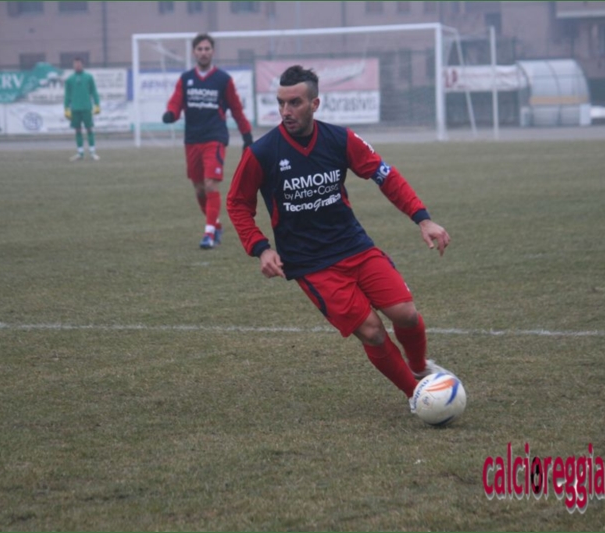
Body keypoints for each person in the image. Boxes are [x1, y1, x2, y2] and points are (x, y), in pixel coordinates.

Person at [227, 65, 452, 413]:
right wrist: (261, 248)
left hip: (355, 247)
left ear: (315, 104)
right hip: (312, 264)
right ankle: (418, 395)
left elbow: (385, 176)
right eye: (281, 103)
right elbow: (237, 203)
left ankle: (420, 367)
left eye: (295, 103)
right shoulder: (263, 152)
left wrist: (422, 219)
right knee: (373, 332)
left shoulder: (339, 139)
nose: (286, 111)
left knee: (406, 314)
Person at [162, 33, 254, 250]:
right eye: (200, 49)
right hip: (192, 139)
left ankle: (209, 233)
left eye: (207, 49)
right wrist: (171, 114)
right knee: (199, 188)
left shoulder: (223, 80)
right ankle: (216, 225)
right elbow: (176, 102)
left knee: (211, 183)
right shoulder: (186, 79)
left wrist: (247, 135)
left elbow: (236, 109)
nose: (203, 53)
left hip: (215, 137)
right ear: (194, 52)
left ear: (212, 52)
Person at [64, 57, 100, 161]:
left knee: (89, 129)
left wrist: (97, 104)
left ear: (82, 64)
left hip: (86, 108)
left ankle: (92, 152)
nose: (77, 66)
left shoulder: (88, 77)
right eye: (75, 64)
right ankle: (80, 153)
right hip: (75, 109)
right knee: (77, 130)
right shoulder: (69, 79)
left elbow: (94, 91)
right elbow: (67, 95)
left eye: (79, 64)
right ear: (73, 65)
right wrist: (66, 108)